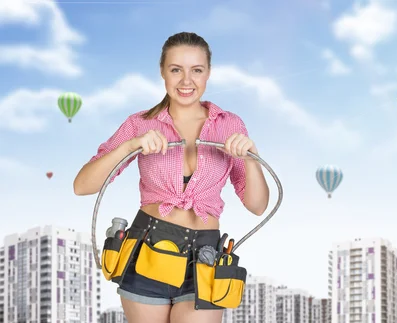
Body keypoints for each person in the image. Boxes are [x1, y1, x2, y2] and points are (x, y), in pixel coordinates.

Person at [73, 31, 269, 323]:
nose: (186, 81)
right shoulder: (140, 123)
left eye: (197, 70)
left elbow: (258, 206)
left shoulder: (229, 125)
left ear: (209, 73)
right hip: (147, 251)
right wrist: (130, 145)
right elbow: (82, 186)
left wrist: (251, 158)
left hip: (205, 258)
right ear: (163, 72)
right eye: (176, 70)